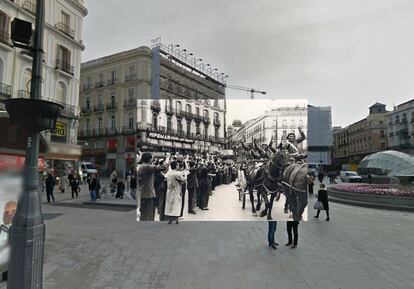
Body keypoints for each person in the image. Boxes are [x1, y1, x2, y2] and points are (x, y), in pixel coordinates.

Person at [137, 152, 169, 221]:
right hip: (147, 195)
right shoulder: (146, 167)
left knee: (147, 215)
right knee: (148, 216)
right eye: (152, 158)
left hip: (146, 194)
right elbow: (164, 167)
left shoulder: (143, 166)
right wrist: (167, 158)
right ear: (149, 159)